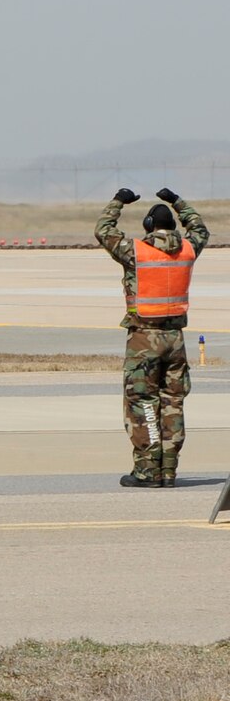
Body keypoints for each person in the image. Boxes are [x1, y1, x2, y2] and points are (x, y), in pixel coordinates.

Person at [96, 188, 207, 486]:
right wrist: (177, 201)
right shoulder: (188, 249)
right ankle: (168, 470)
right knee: (173, 403)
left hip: (144, 340)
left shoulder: (136, 251)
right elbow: (199, 228)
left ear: (148, 225)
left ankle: (148, 471)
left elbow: (103, 229)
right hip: (175, 340)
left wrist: (119, 201)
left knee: (143, 402)